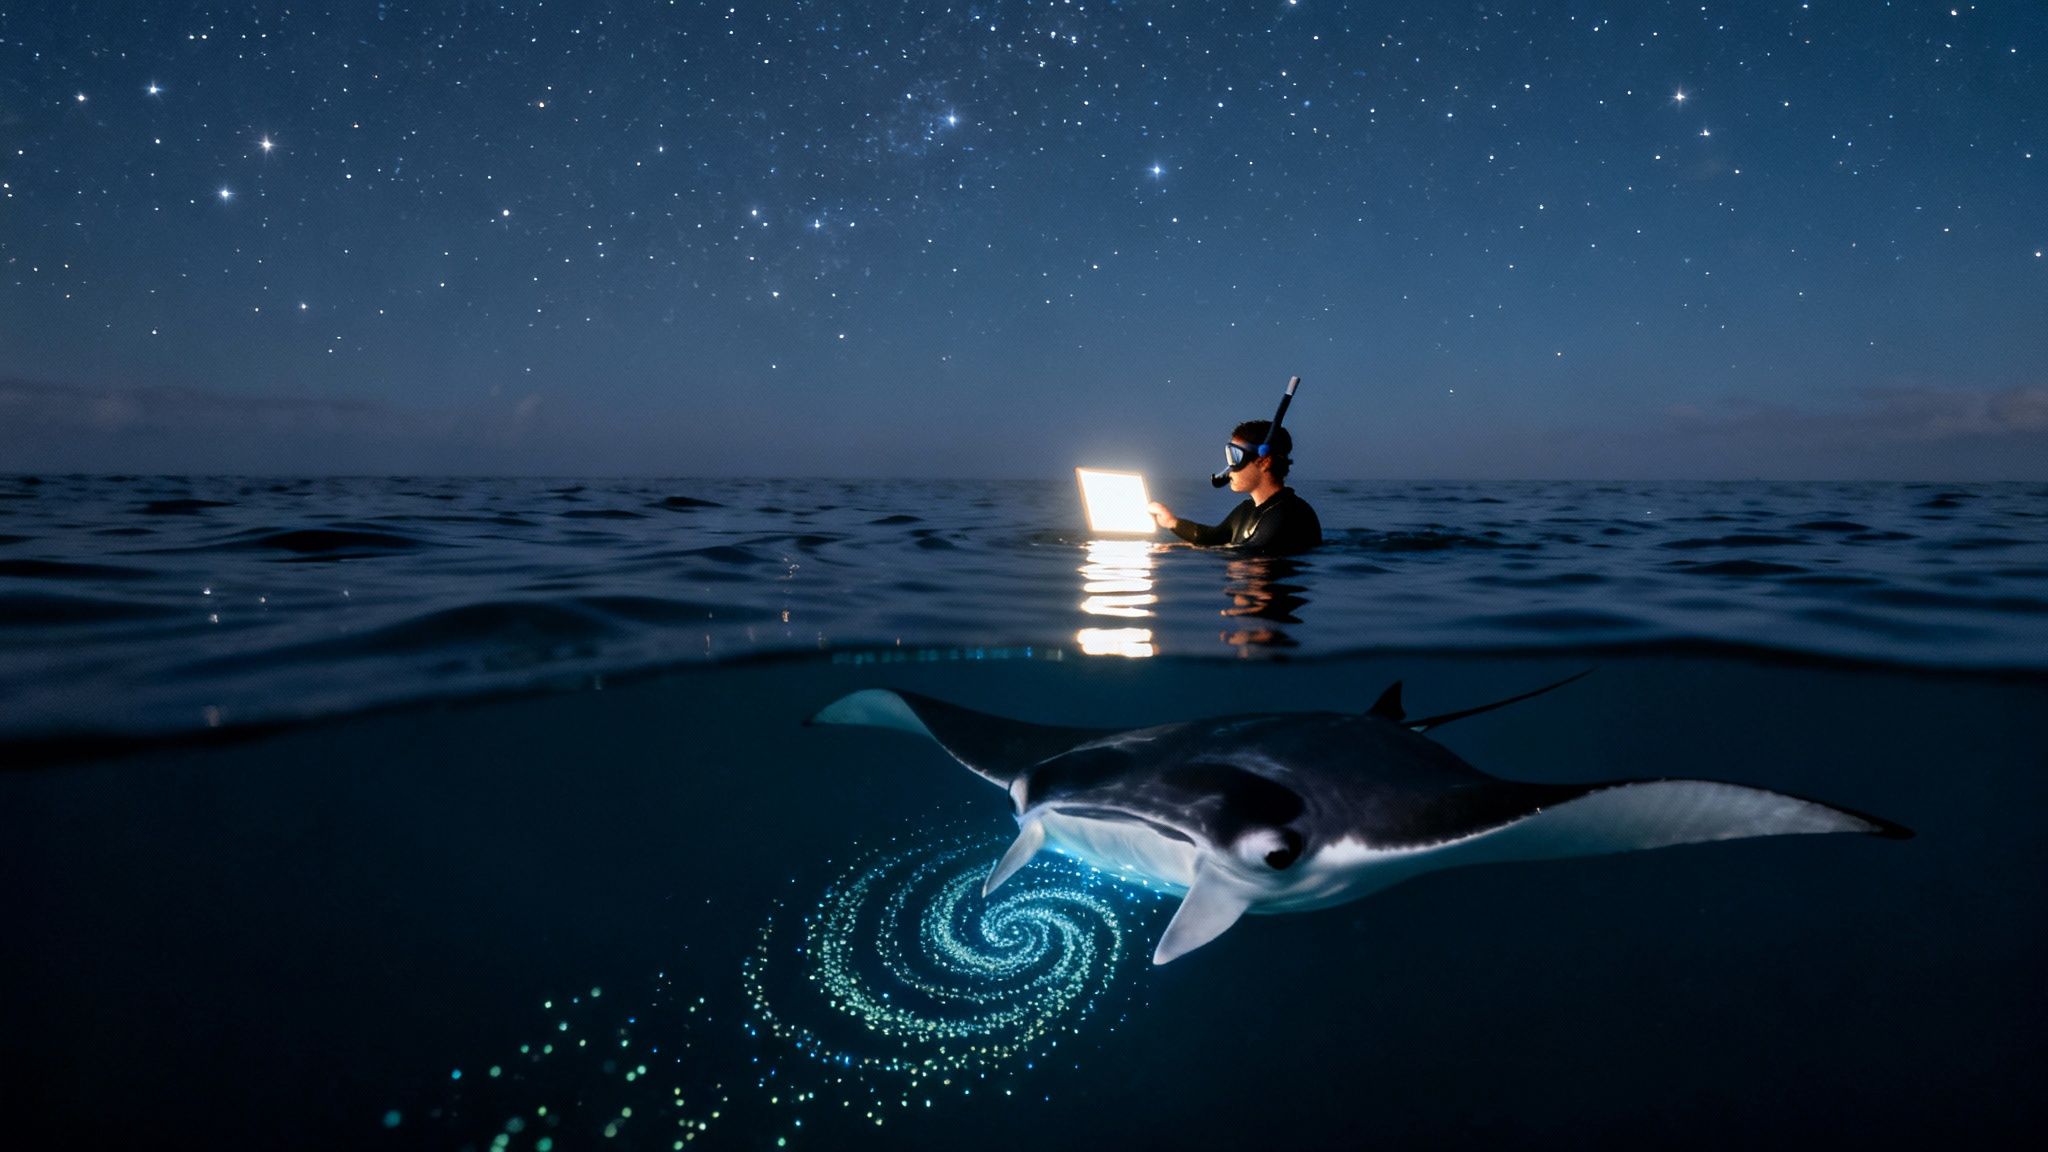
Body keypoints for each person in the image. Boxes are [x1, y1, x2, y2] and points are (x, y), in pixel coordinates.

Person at [1147, 420, 1322, 555]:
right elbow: (1214, 539)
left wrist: (1186, 550)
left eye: (1235, 457)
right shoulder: (1245, 510)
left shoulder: (1290, 515)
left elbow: (1252, 553)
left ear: (1264, 462)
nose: (1229, 468)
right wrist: (1171, 522)